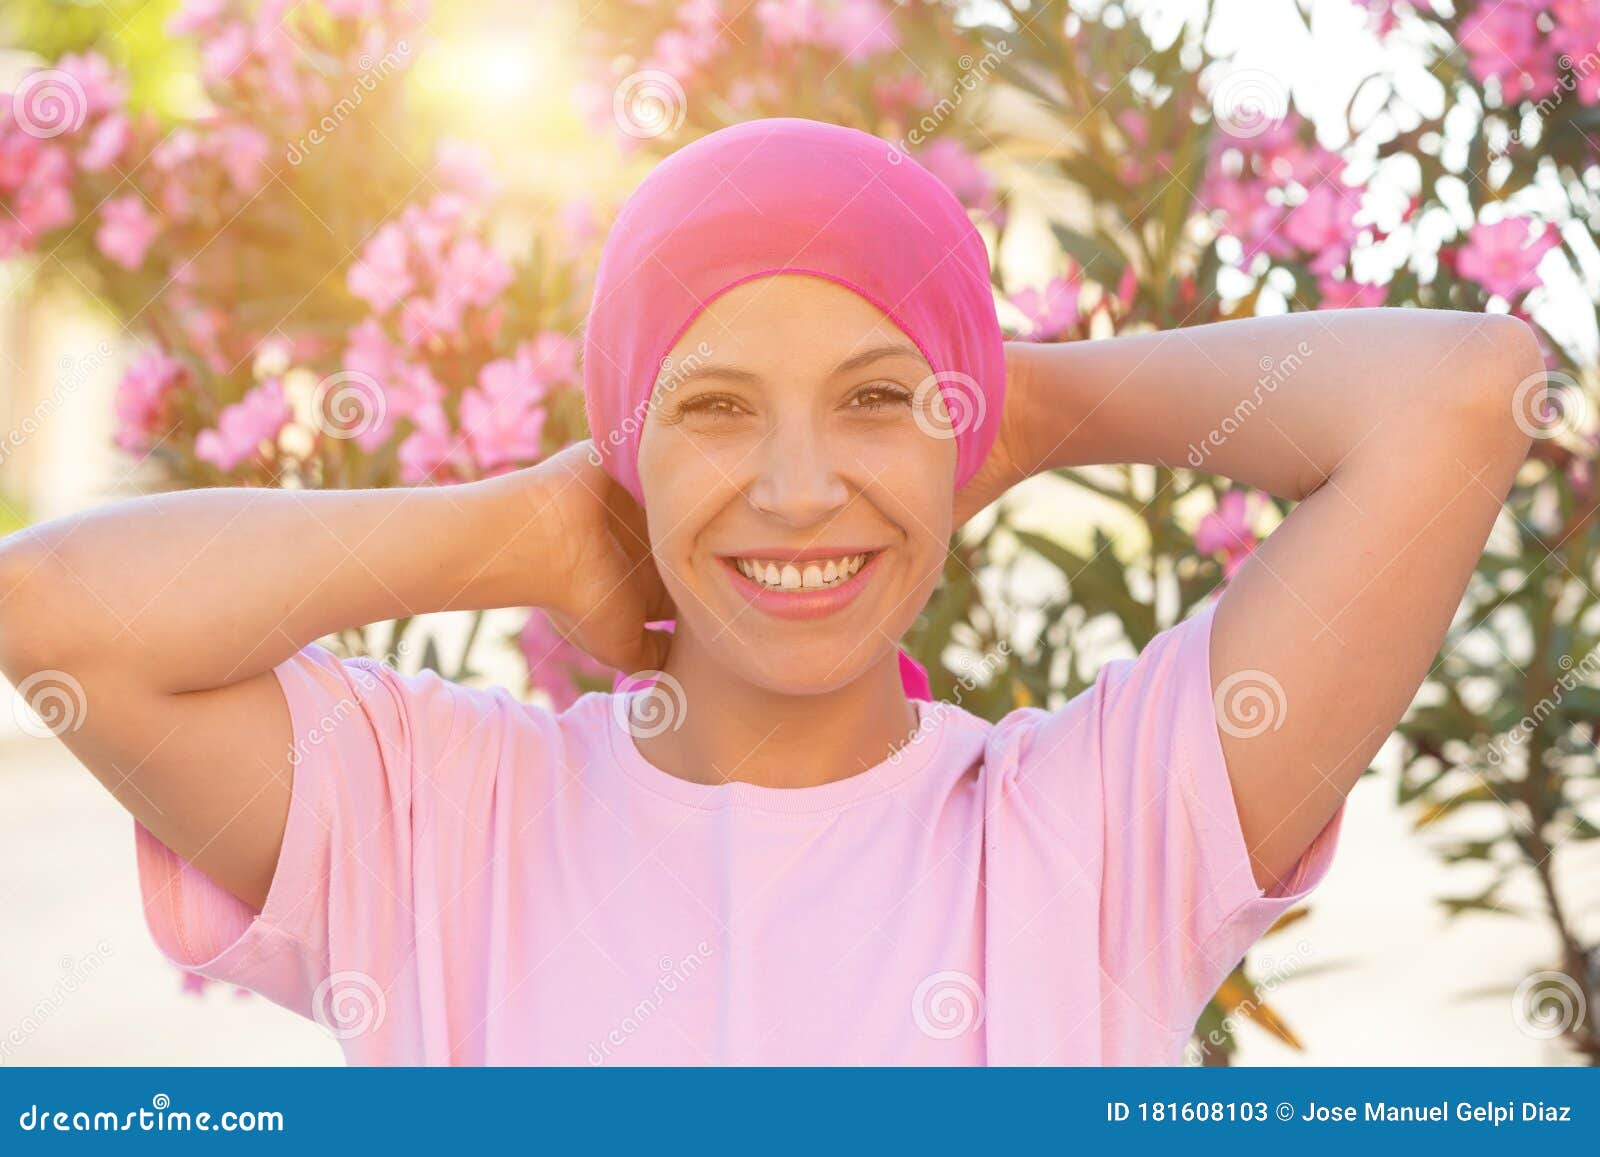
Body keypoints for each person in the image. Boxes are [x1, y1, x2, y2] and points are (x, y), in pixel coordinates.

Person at [0, 118, 1537, 1065]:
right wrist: (522, 530)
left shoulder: (1087, 832)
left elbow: (1466, 393)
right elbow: (54, 616)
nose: (801, 488)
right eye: (717, 406)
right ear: (629, 445)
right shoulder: (439, 826)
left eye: (879, 399)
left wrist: (1020, 397)